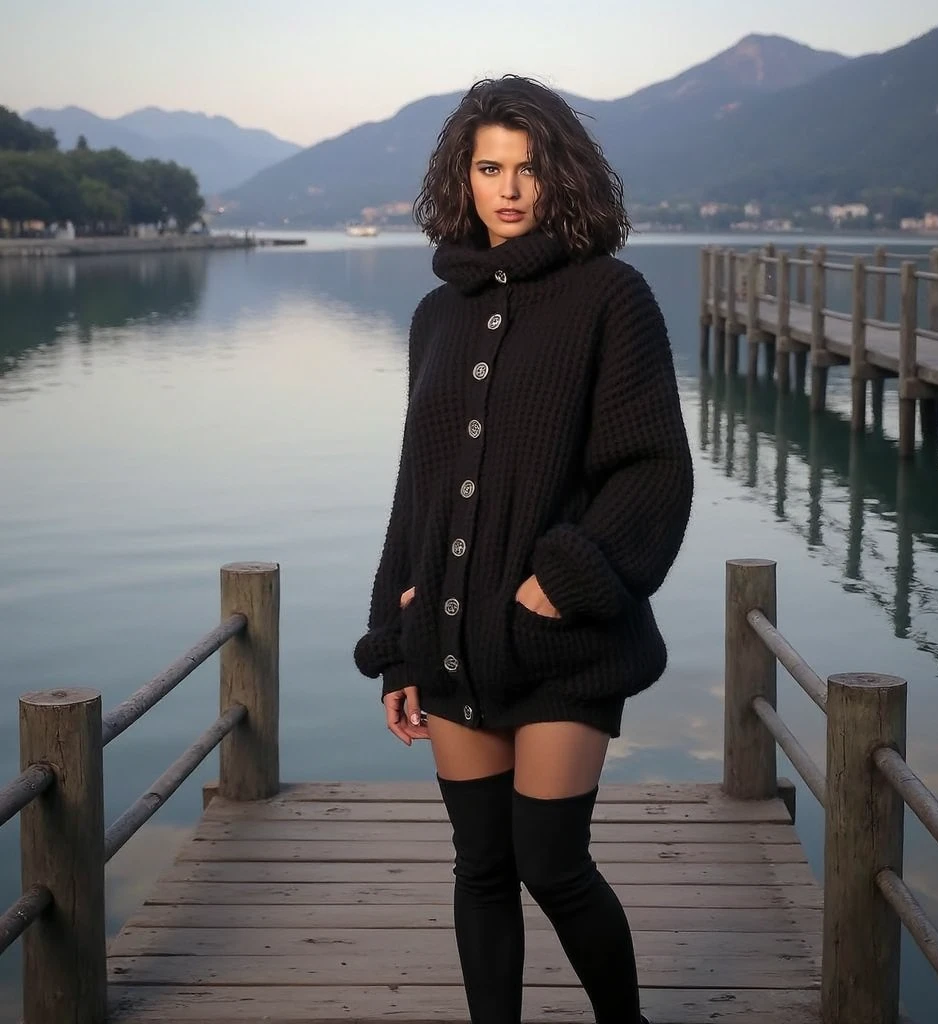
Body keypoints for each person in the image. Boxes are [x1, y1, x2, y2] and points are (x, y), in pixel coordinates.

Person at [354, 75, 694, 1024]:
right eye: (489, 167)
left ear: (563, 177)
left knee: (553, 863)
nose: (509, 188)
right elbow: (416, 491)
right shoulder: (436, 315)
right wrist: (394, 640)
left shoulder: (611, 297)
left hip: (561, 641)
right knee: (483, 867)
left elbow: (654, 470)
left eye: (530, 168)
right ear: (461, 179)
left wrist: (571, 574)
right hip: (455, 639)